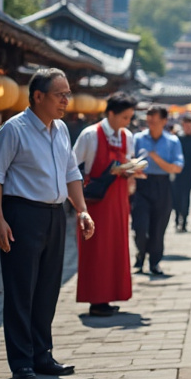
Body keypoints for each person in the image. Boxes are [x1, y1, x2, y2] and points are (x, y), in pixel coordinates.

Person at [0, 68, 95, 379]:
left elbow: (72, 173)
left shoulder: (60, 130)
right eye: (60, 94)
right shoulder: (13, 130)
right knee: (21, 289)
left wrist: (82, 211)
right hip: (22, 214)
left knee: (47, 287)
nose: (66, 100)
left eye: (68, 93)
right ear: (38, 96)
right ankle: (21, 362)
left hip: (55, 215)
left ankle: (42, 355)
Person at [72, 91, 140, 317]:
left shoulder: (127, 136)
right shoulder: (90, 135)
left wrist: (132, 169)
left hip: (118, 198)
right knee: (97, 249)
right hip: (96, 201)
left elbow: (127, 161)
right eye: (124, 117)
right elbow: (72, 167)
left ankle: (111, 295)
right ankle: (96, 299)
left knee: (116, 248)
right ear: (111, 113)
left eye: (130, 118)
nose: (127, 122)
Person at [132, 104, 183, 275]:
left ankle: (154, 262)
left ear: (164, 121)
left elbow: (177, 168)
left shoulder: (172, 141)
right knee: (139, 226)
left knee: (158, 228)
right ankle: (140, 254)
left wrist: (155, 158)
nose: (151, 125)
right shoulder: (138, 138)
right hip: (141, 185)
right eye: (149, 121)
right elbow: (130, 160)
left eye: (155, 121)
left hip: (162, 185)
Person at [172, 113, 191, 232]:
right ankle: (181, 222)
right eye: (186, 125)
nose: (188, 128)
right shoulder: (177, 139)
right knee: (181, 200)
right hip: (181, 174)